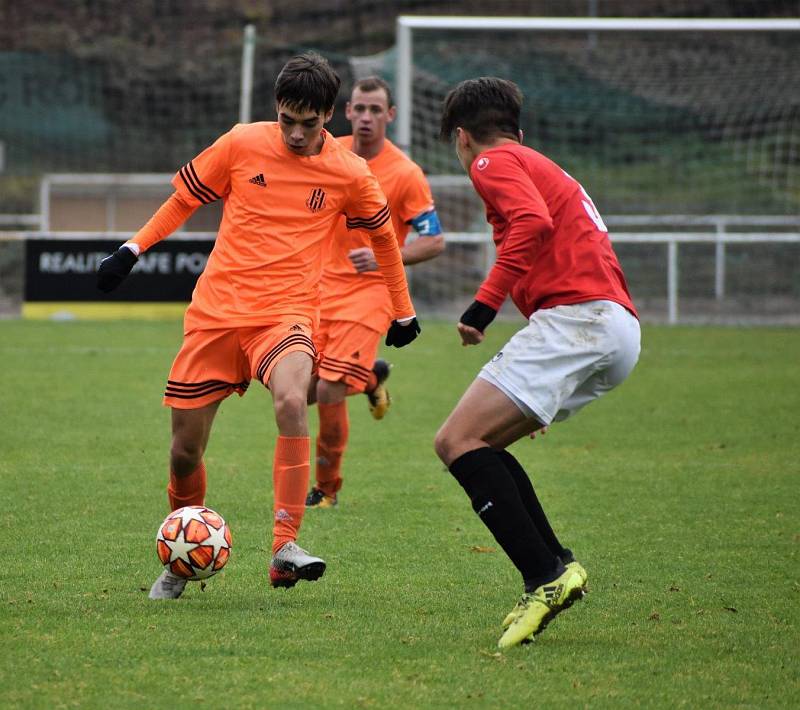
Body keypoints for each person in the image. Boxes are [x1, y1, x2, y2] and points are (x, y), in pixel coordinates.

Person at [96, 52, 420, 600]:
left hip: (288, 312)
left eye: (309, 123)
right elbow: (185, 199)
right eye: (287, 120)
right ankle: (181, 559)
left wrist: (403, 309)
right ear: (276, 108)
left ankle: (284, 547)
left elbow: (385, 239)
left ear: (328, 117)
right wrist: (132, 249)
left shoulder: (349, 173)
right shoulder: (242, 143)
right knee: (183, 452)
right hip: (217, 312)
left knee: (294, 400)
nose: (296, 133)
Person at [434, 77, 640, 649]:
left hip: (577, 322)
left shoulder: (491, 160)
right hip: (612, 329)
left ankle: (544, 576)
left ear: (461, 137)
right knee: (482, 446)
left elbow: (531, 224)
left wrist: (482, 306)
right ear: (518, 130)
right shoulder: (534, 158)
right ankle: (557, 567)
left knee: (455, 442)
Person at [305, 76, 445, 509]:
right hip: (318, 287)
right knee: (297, 390)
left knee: (328, 389)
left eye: (375, 110)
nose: (366, 117)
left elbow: (434, 239)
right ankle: (370, 379)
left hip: (372, 292)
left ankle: (326, 489)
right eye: (359, 108)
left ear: (390, 115)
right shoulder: (326, 152)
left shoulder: (405, 174)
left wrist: (395, 256)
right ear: (347, 112)